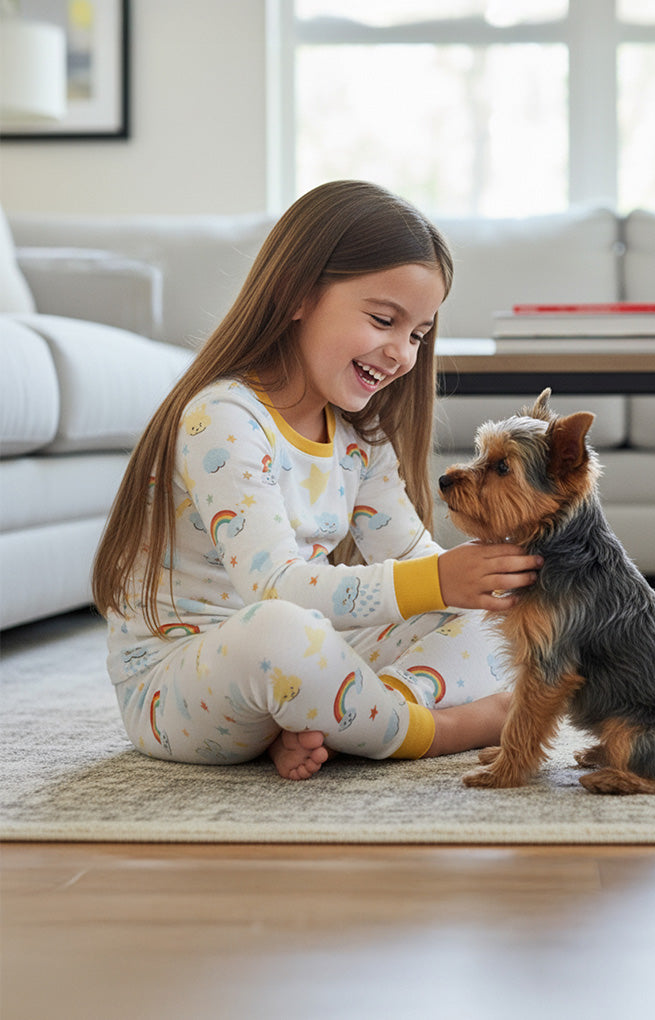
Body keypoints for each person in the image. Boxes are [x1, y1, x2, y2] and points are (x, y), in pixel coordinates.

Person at [92, 180, 542, 780]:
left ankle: (349, 716)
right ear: (298, 294)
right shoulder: (224, 417)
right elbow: (273, 589)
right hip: (181, 684)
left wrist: (474, 583)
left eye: (417, 334)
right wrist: (437, 580)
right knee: (280, 631)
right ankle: (431, 730)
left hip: (300, 662)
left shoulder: (360, 440)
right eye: (384, 319)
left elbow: (413, 559)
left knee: (493, 620)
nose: (402, 354)